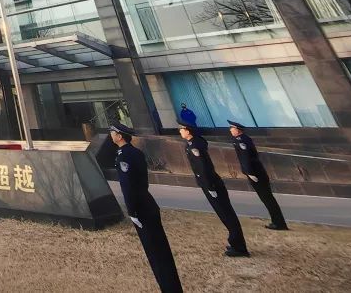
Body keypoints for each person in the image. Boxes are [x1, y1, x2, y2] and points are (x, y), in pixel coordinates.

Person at [110, 123, 182, 292]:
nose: (110, 135)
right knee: (160, 250)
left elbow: (128, 187)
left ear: (119, 136)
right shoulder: (135, 152)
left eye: (112, 132)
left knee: (156, 253)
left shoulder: (124, 156)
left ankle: (169, 288)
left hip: (140, 208)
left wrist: (132, 211)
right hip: (147, 203)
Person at [178, 118, 248, 257]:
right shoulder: (193, 143)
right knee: (224, 214)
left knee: (226, 214)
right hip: (208, 183)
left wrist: (209, 186)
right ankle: (235, 242)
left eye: (181, 129)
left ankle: (239, 247)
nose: (180, 131)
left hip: (211, 183)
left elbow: (203, 167)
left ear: (188, 131)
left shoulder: (195, 146)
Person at [228, 120, 287, 231]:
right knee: (267, 198)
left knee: (267, 198)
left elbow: (246, 158)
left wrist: (250, 172)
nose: (230, 130)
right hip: (256, 172)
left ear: (238, 130)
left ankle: (279, 223)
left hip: (256, 173)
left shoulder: (242, 141)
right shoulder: (241, 139)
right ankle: (277, 222)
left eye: (232, 128)